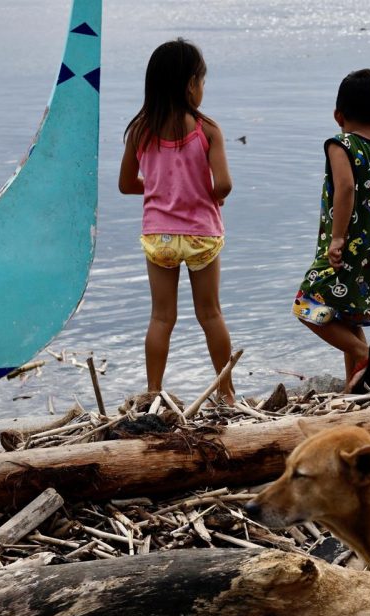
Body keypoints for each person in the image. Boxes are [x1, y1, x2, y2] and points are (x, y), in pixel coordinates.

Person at [119, 39, 236, 404]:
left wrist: (159, 190)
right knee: (210, 314)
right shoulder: (207, 130)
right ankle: (227, 393)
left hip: (160, 238)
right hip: (201, 235)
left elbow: (125, 185)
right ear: (190, 85)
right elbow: (225, 185)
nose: (202, 89)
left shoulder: (140, 130)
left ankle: (154, 392)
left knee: (161, 318)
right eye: (202, 81)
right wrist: (208, 196)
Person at [292, 68, 370, 393]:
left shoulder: (341, 145)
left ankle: (360, 353)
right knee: (349, 317)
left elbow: (346, 188)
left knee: (306, 305)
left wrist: (338, 237)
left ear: (338, 115)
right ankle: (356, 390)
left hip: (344, 248)